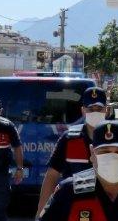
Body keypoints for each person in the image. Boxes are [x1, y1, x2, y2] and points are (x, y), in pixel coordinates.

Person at [35, 86, 109, 214]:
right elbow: (51, 176)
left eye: (99, 109)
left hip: (106, 210)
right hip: (72, 210)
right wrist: (41, 215)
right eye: (90, 109)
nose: (95, 112)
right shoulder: (69, 138)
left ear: (106, 111)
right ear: (83, 111)